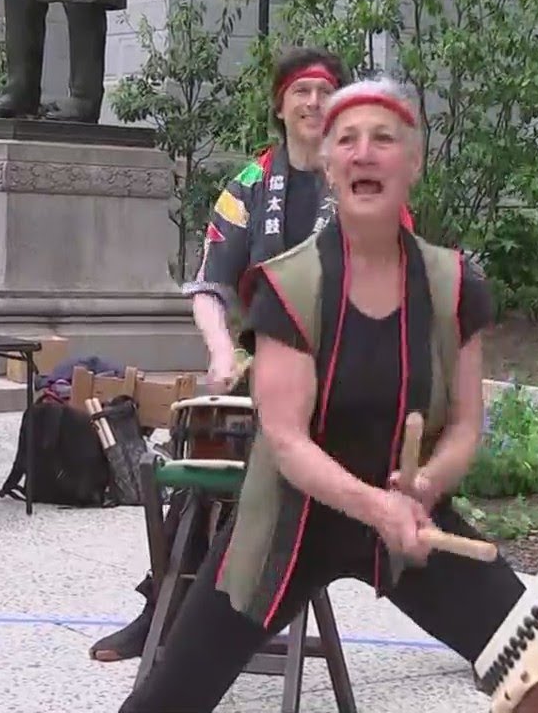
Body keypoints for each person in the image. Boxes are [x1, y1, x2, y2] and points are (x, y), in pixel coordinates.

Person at [118, 76, 527, 712]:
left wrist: (424, 486)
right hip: (288, 520)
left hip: (403, 513)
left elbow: (466, 424)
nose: (364, 153)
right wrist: (377, 507)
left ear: (413, 162)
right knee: (169, 700)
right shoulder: (289, 286)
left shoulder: (453, 285)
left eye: (384, 139)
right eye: (348, 140)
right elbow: (285, 440)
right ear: (330, 166)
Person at [87, 46, 355, 663]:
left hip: (339, 385)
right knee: (207, 455)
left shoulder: (360, 178)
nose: (314, 103)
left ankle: (184, 614)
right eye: (301, 92)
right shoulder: (251, 186)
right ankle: (169, 607)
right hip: (266, 377)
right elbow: (210, 286)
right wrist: (221, 352)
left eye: (325, 93)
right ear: (280, 107)